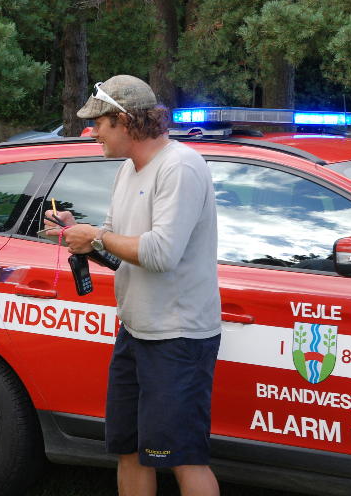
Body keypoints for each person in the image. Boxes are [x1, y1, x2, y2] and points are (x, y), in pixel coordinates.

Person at [45, 75, 222, 496]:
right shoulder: (128, 168)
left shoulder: (180, 167)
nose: (92, 133)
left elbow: (161, 253)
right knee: (129, 449)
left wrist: (98, 237)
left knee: (182, 459)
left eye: (98, 124)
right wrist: (81, 236)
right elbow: (117, 243)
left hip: (178, 338)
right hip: (136, 331)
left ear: (124, 121)